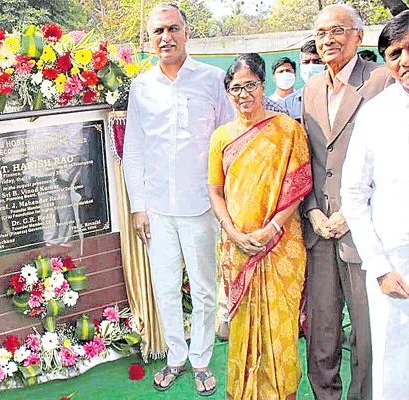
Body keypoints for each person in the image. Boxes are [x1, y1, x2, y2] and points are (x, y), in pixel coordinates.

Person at [123, 3, 234, 395]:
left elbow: (229, 142)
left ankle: (201, 359)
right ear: (149, 39)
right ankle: (176, 356)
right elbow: (133, 149)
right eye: (158, 31)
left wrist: (225, 204)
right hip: (156, 209)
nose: (165, 37)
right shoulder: (141, 86)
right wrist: (138, 206)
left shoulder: (213, 79)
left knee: (205, 287)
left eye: (173, 29)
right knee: (166, 287)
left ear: (187, 33)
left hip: (201, 205)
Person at [301, 5, 394, 400]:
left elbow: (392, 158)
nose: (328, 40)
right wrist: (312, 210)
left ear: (358, 35)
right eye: (320, 33)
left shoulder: (382, 80)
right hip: (319, 229)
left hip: (365, 228)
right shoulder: (310, 89)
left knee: (367, 330)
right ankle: (326, 395)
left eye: (337, 31)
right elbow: (306, 159)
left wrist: (350, 213)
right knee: (321, 329)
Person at [208, 53, 312, 400]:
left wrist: (272, 229)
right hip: (238, 246)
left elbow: (297, 186)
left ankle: (283, 393)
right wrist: (233, 232)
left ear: (262, 85)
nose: (243, 94)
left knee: (281, 328)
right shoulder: (221, 136)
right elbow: (215, 189)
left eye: (250, 85)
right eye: (235, 87)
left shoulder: (288, 130)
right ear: (227, 92)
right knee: (243, 330)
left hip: (281, 245)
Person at [341, 10, 409, 400]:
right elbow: (353, 194)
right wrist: (380, 268)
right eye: (395, 53)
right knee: (393, 362)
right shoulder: (376, 114)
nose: (405, 61)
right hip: (393, 258)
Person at [284, 40, 326, 121]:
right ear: (300, 66)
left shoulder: (335, 97)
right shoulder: (289, 103)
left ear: (325, 64)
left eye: (316, 62)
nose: (311, 66)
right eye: (306, 62)